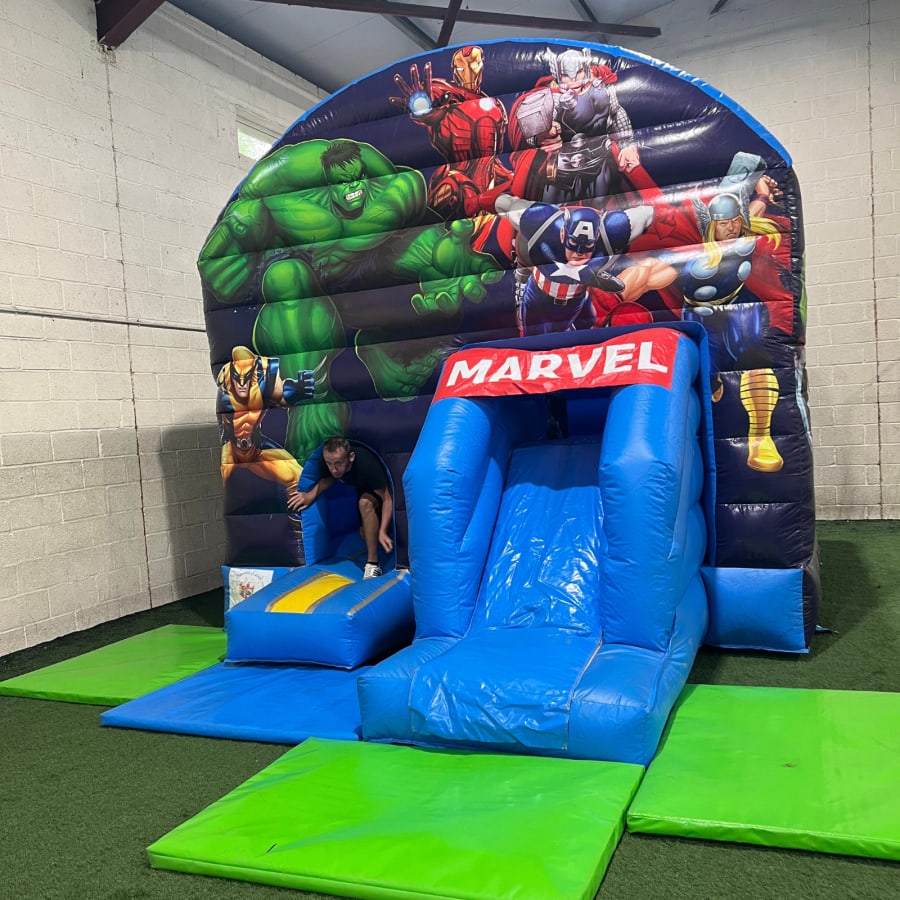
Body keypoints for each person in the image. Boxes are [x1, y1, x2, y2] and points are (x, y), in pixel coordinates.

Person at [289, 437, 394, 579]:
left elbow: (387, 498)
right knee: (365, 535)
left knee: (365, 503)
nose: (333, 469)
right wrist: (309, 495)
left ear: (351, 457)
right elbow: (328, 479)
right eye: (329, 463)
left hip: (376, 491)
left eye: (338, 463)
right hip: (361, 489)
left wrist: (382, 530)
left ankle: (373, 565)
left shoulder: (367, 464)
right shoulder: (328, 463)